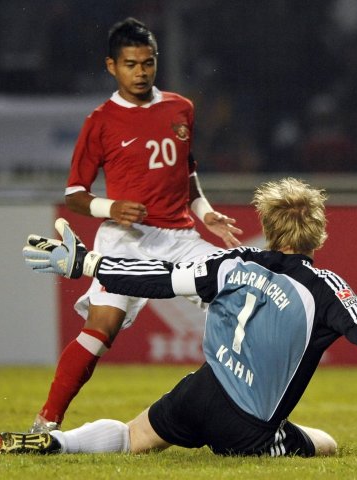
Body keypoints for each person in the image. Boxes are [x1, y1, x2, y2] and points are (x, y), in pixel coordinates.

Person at [0, 177, 357, 457]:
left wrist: (86, 262)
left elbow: (158, 279)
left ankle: (58, 443)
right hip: (248, 430)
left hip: (198, 393)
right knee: (327, 443)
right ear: (319, 234)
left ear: (265, 223)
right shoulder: (325, 288)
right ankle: (278, 439)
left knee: (130, 436)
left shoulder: (230, 262)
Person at [29, 17, 243, 434]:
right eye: (131, 64)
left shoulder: (181, 107)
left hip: (180, 237)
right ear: (111, 66)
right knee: (102, 327)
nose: (141, 72)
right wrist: (111, 207)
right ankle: (46, 421)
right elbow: (75, 193)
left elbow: (187, 172)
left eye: (147, 63)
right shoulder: (101, 121)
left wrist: (206, 212)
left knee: (239, 293)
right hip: (125, 239)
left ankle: (245, 411)